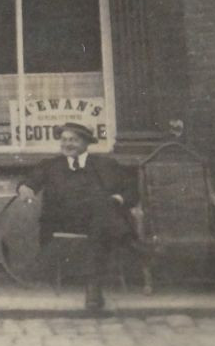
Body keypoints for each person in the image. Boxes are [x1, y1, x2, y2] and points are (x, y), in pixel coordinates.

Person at [15, 121, 136, 311]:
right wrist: (25, 188)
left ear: (86, 143)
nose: (67, 144)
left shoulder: (106, 164)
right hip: (65, 221)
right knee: (105, 216)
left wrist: (118, 198)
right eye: (64, 140)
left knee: (101, 215)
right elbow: (29, 181)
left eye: (73, 140)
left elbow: (131, 191)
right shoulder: (50, 166)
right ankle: (131, 246)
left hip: (98, 221)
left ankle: (93, 288)